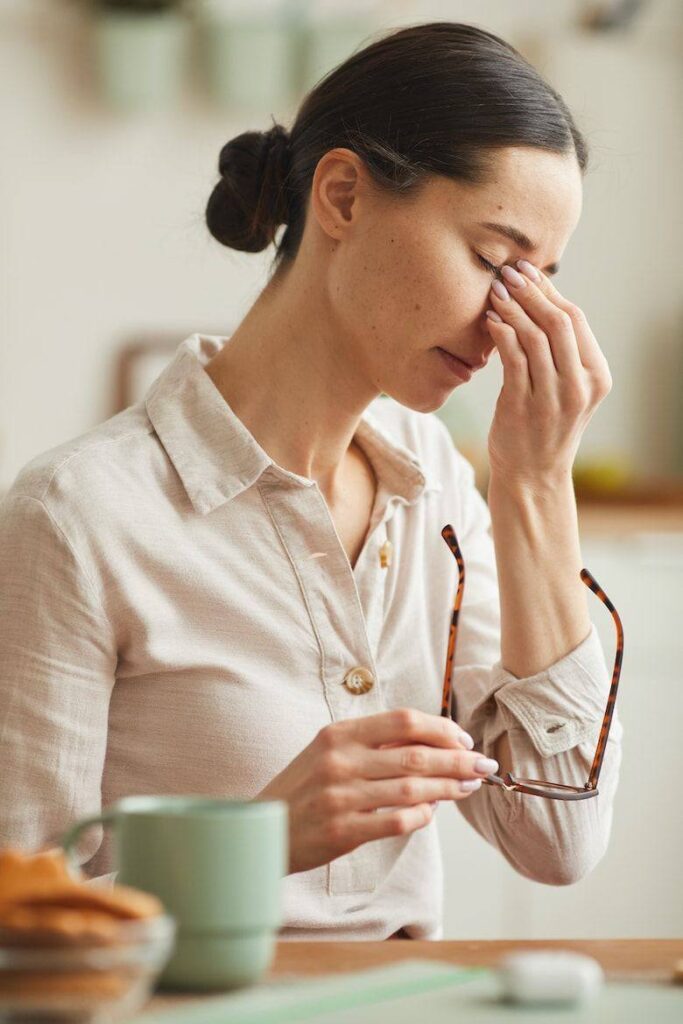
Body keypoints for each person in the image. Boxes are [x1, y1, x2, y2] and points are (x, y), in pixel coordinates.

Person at [0, 21, 622, 940]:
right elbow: (19, 928)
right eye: (494, 261)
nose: (507, 323)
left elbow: (555, 838)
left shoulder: (437, 491)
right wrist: (252, 843)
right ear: (341, 196)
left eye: (537, 280)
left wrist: (534, 485)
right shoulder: (77, 518)